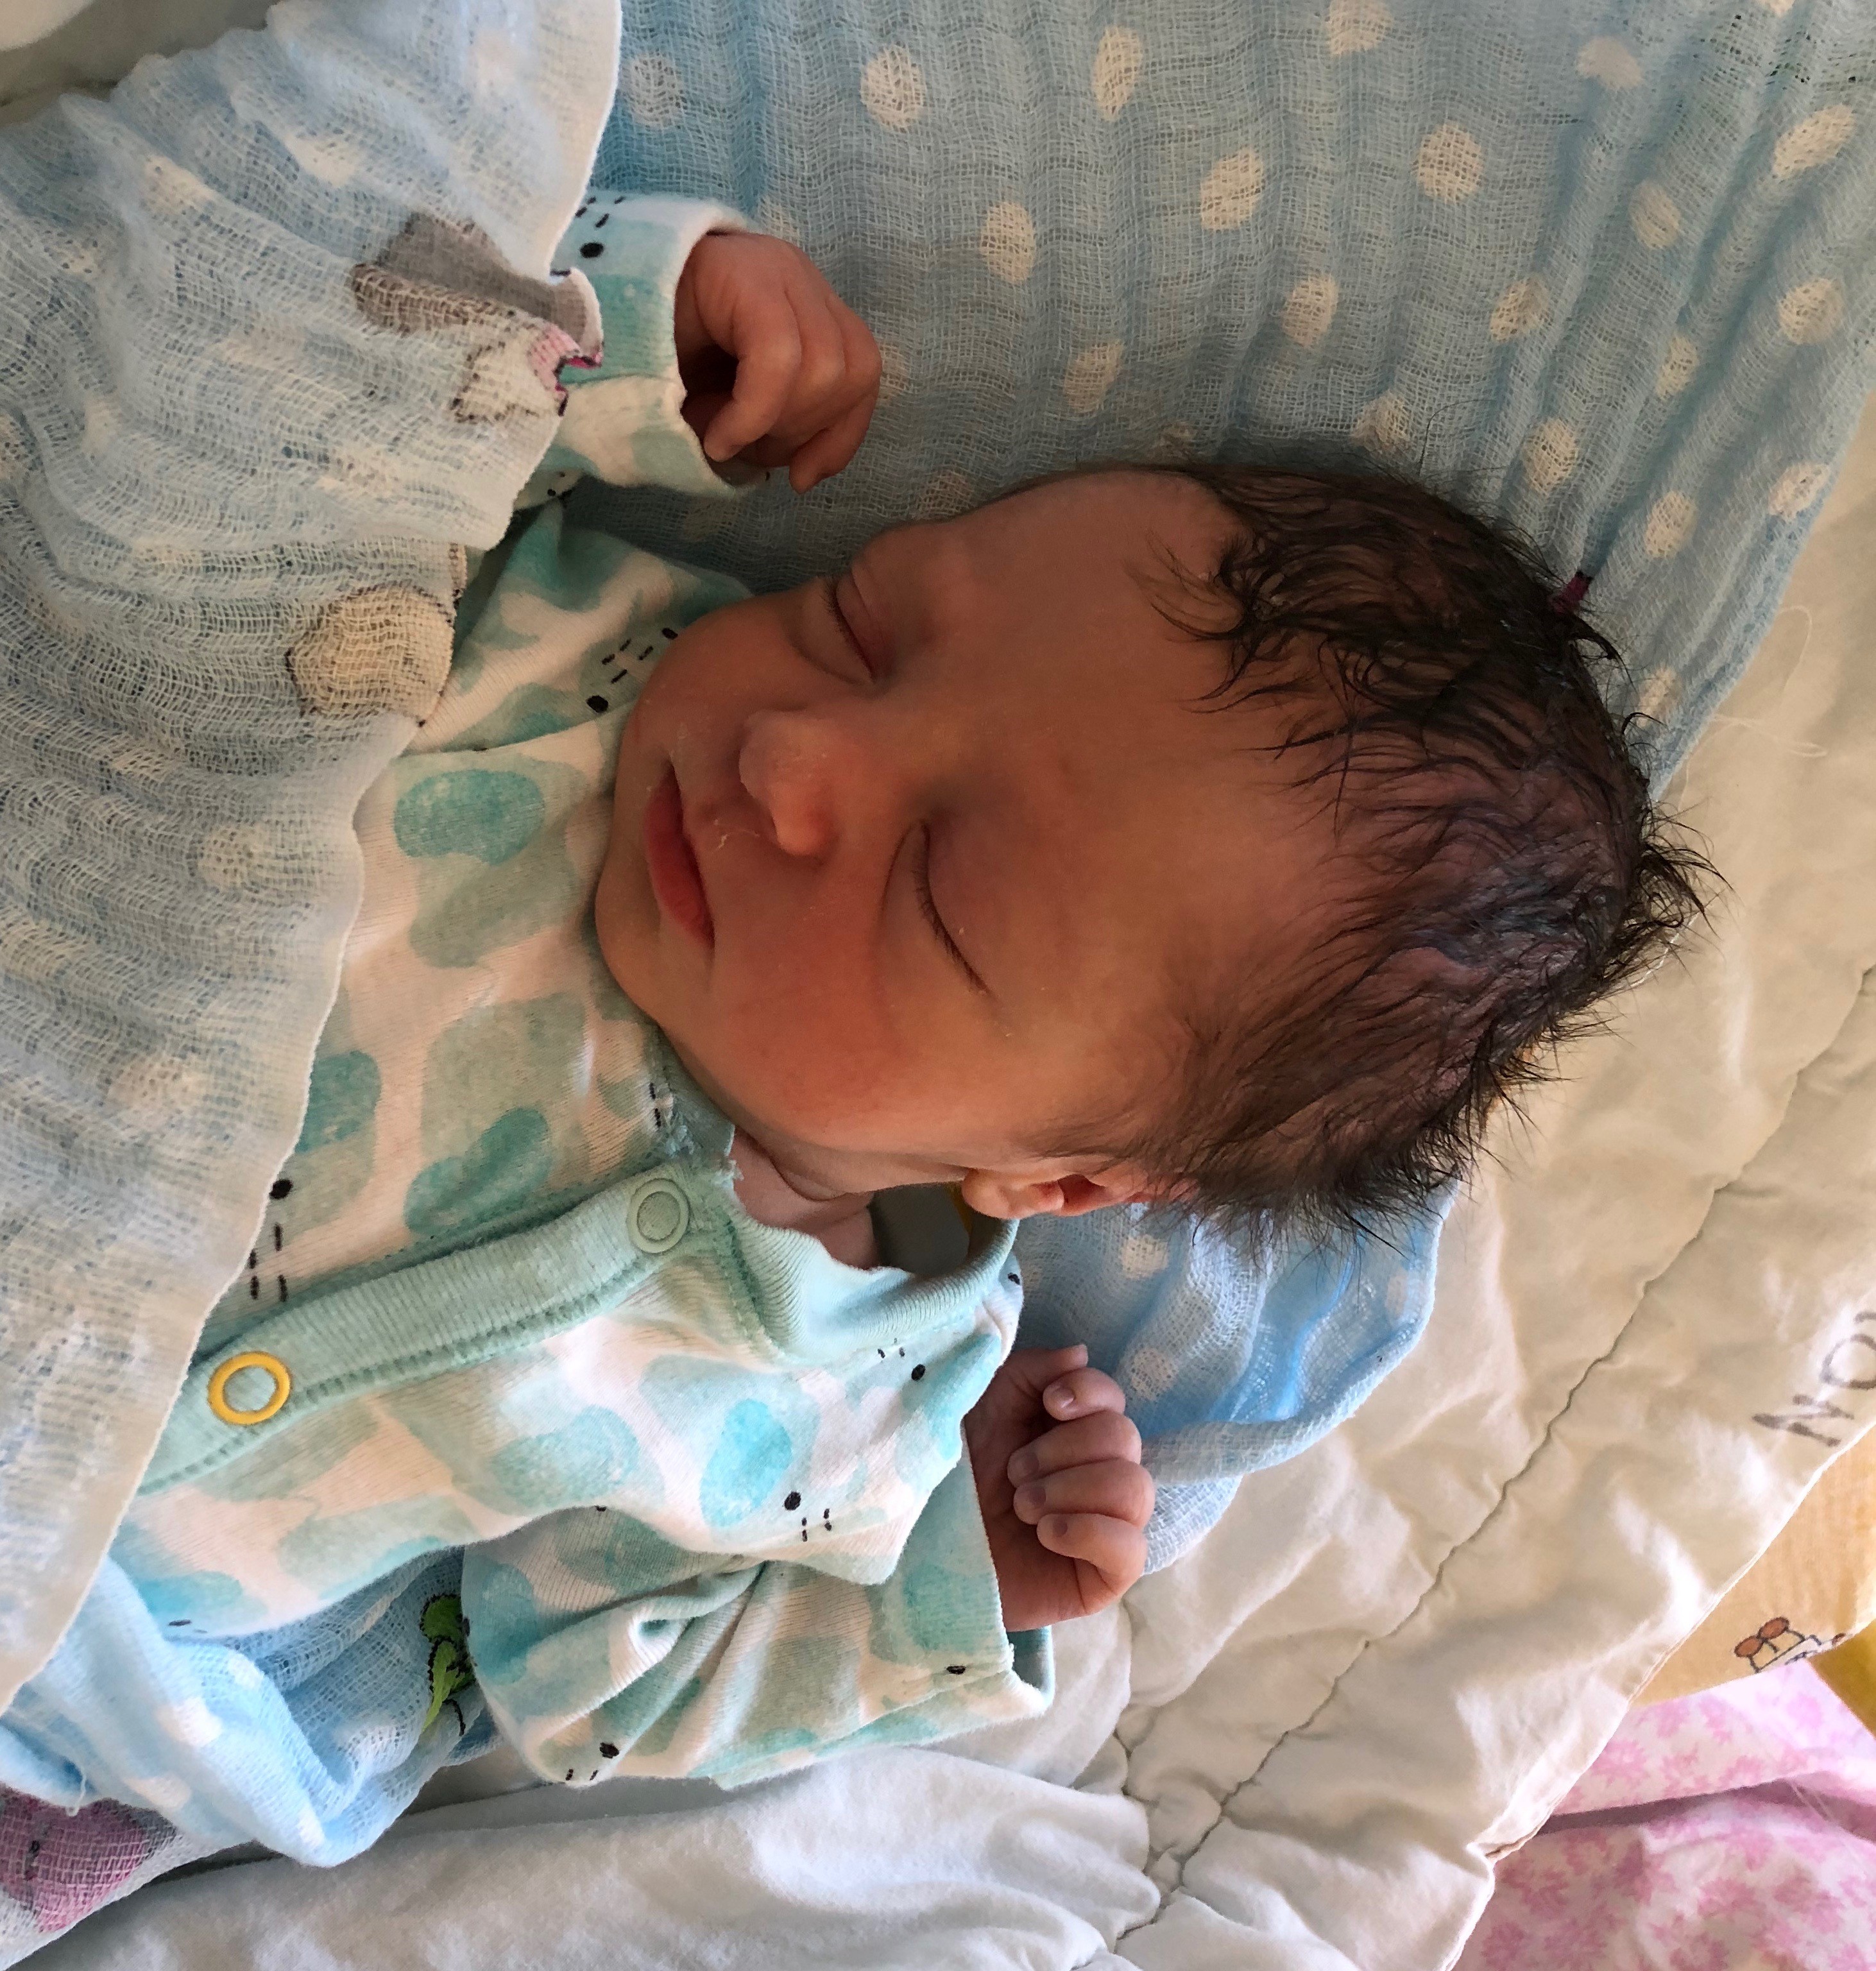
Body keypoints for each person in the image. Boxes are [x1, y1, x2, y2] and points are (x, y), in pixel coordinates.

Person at [0, 198, 1701, 1863]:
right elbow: (318, 396)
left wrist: (948, 1588)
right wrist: (633, 338)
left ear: (1056, 1181)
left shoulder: (848, 1395)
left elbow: (595, 1693)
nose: (795, 759)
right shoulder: (544, 642)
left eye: (939, 892)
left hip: (85, 1679)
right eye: (862, 628)